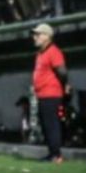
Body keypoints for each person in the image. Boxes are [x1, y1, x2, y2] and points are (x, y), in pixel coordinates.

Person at [31, 23, 68, 163]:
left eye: (38, 34)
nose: (35, 37)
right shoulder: (41, 53)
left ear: (47, 36)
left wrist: (64, 86)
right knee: (46, 125)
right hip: (43, 95)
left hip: (51, 95)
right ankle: (52, 153)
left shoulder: (53, 51)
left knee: (51, 124)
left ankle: (56, 155)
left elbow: (62, 71)